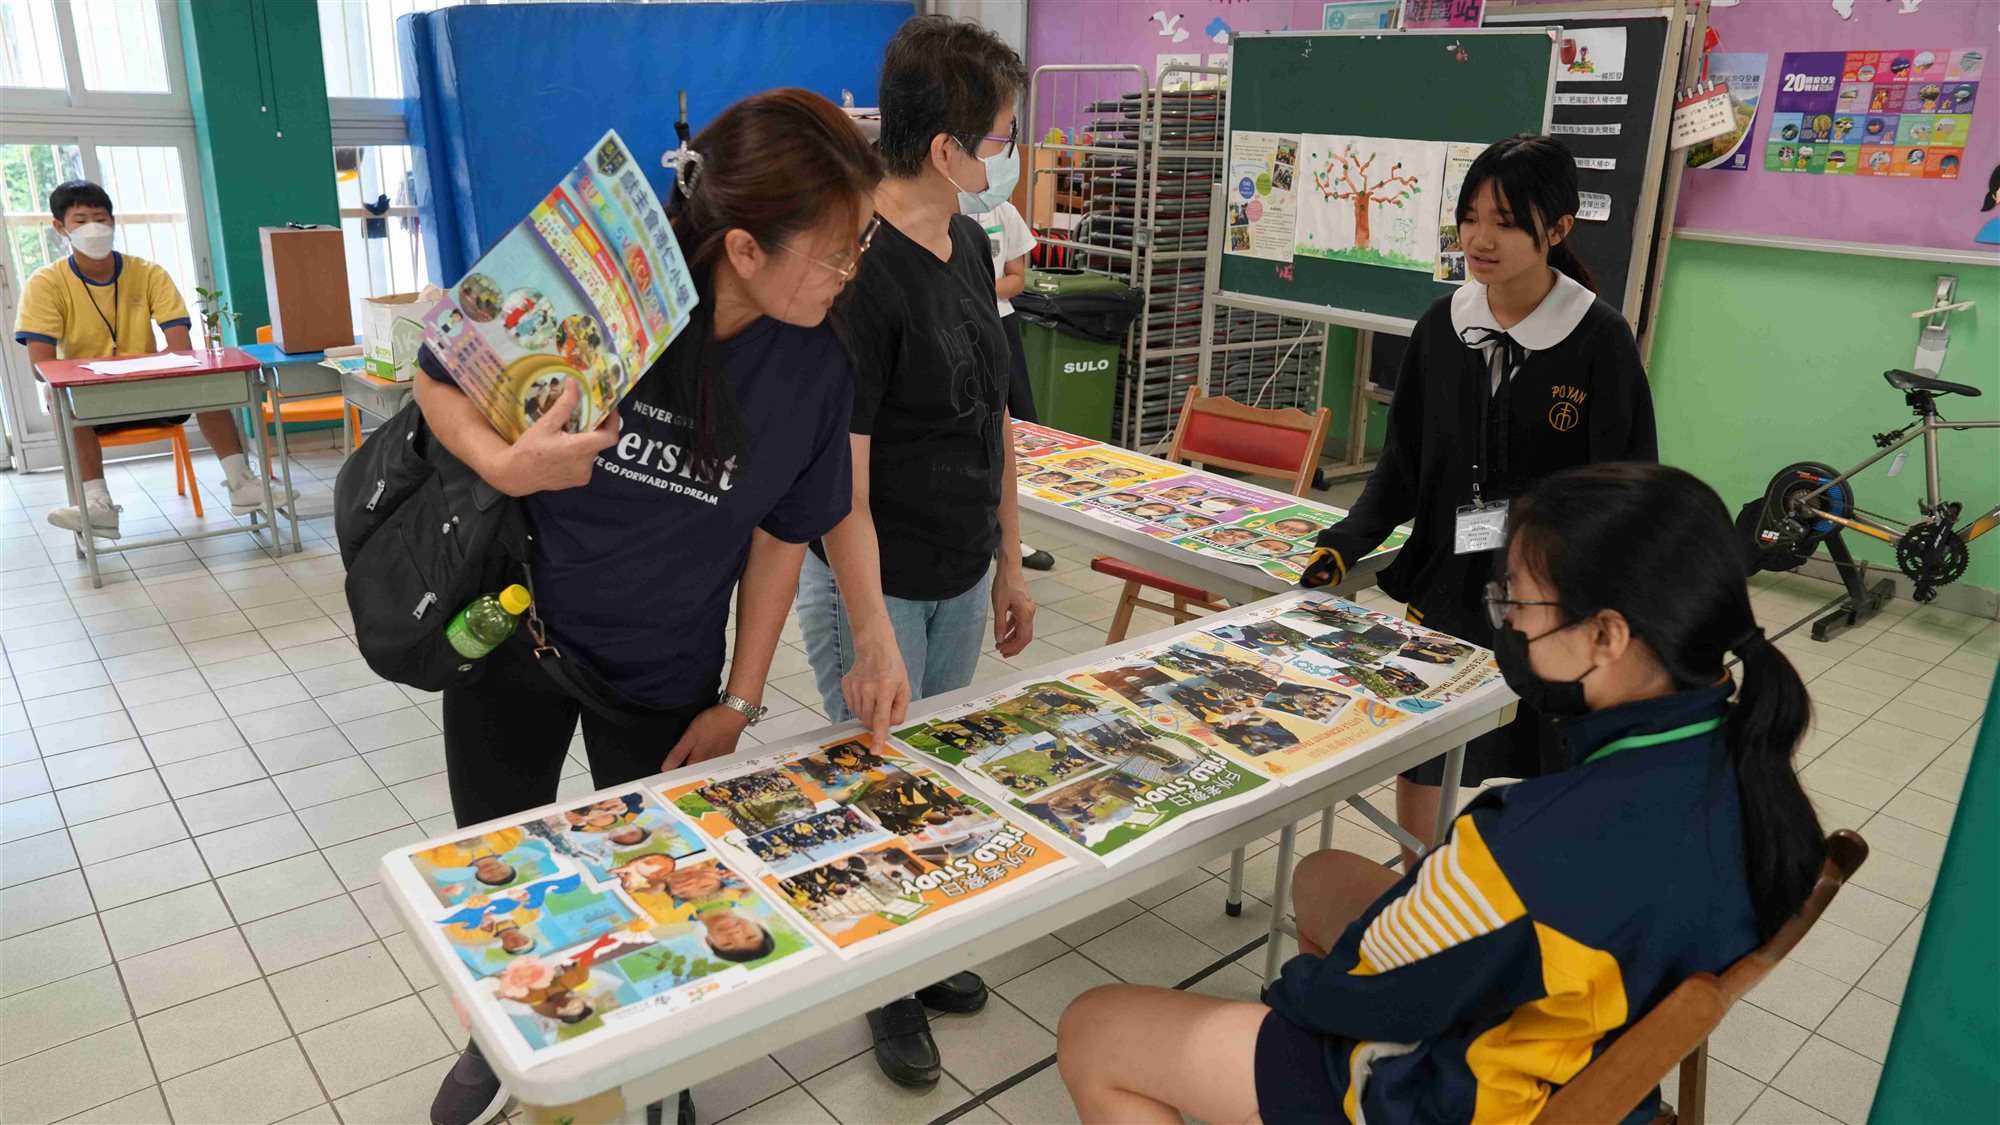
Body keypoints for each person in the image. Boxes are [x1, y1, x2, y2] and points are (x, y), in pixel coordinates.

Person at [1058, 462, 1827, 1125]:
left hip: (1466, 1094)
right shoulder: (1741, 759)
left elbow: (1364, 990)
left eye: (1520, 604)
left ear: (1606, 635)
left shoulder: (1529, 845)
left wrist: (1294, 1006)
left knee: (1095, 1026)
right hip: (1585, 1027)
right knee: (1321, 874)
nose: (1509, 625)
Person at [419, 89, 894, 1125]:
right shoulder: (601, 297)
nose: (848, 273)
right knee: (500, 870)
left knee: (665, 878)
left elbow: (782, 537)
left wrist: (740, 699)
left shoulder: (814, 365)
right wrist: (506, 462)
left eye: (857, 248)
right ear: (744, 248)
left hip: (664, 672)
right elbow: (437, 377)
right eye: (834, 252)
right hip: (516, 642)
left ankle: (658, 1058)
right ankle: (500, 1034)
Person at [1298, 133, 1657, 865]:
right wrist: (1347, 541)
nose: (1480, 240)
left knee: (1548, 754)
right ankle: (1417, 877)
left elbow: (1627, 488)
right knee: (1425, 747)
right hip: (1449, 583)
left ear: (1558, 229)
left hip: (1551, 601)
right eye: (1470, 218)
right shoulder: (1443, 326)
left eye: (1506, 222)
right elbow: (1403, 463)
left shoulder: (1599, 339)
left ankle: (1531, 893)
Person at [794, 13, 1035, 1089]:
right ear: (947, 149)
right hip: (875, 584)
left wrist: (1009, 557)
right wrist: (872, 630)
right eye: (1002, 136)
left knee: (934, 774)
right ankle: (882, 984)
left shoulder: (969, 243)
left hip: (961, 564)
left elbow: (992, 420)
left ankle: (921, 949)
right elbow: (839, 487)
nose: (1008, 154)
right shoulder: (862, 273)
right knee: (874, 784)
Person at [13, 180, 281, 538]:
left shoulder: (148, 272)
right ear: (60, 228)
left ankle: (242, 483)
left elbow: (180, 346)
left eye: (100, 219)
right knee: (57, 398)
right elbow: (41, 365)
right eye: (80, 220)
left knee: (209, 383)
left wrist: (139, 371)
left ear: (113, 222)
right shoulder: (46, 283)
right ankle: (97, 505)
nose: (93, 228)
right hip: (90, 401)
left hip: (154, 392)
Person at [972, 193, 1056, 570]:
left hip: (999, 321)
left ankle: (1011, 538)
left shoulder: (1003, 211)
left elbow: (1016, 279)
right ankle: (977, 529)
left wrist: (977, 289)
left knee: (1019, 423)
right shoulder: (940, 209)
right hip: (953, 322)